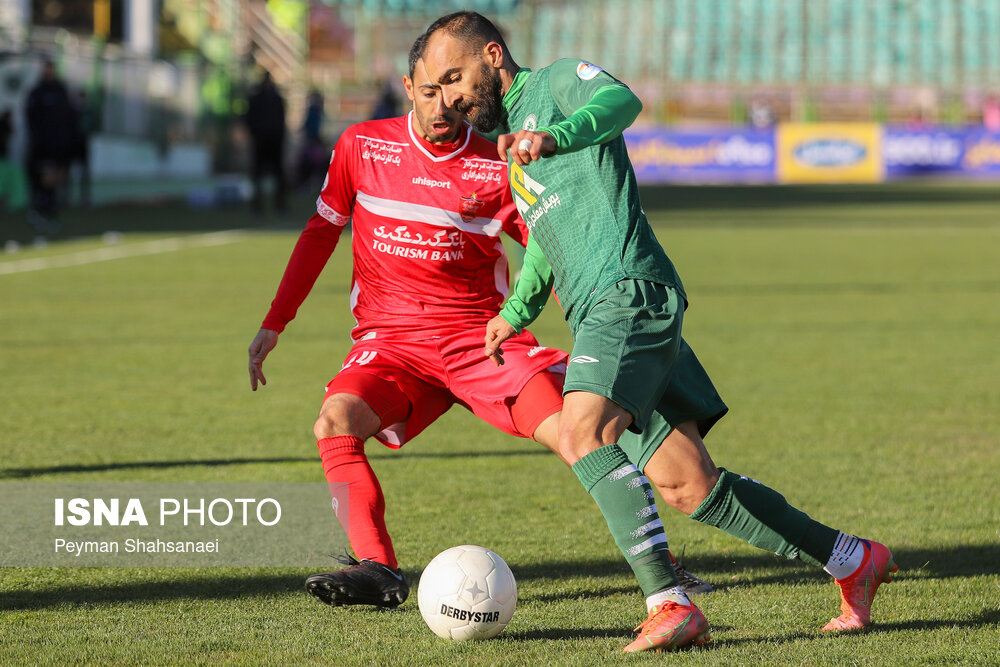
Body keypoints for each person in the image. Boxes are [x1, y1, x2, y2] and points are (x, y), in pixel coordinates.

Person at [422, 11, 896, 653]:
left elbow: (622, 100)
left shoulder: (555, 84)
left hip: (630, 293)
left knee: (581, 431)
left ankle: (668, 603)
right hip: (602, 312)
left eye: (456, 76)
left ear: (493, 55)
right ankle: (851, 560)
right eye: (439, 87)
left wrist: (556, 137)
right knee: (688, 485)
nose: (451, 97)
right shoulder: (513, 151)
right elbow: (543, 240)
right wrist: (514, 314)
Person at [248, 34, 710, 611]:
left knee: (577, 435)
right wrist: (276, 322)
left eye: (451, 93)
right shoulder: (362, 147)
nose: (443, 107)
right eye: (428, 93)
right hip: (391, 346)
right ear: (409, 88)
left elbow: (553, 238)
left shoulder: (497, 161)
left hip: (481, 342)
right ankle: (378, 568)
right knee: (334, 423)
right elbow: (321, 234)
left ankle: (663, 566)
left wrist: (594, 311)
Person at [25, 59, 76, 231]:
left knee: (56, 180)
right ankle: (40, 210)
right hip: (43, 146)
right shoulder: (37, 92)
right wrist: (37, 141)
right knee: (45, 178)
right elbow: (32, 120)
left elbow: (68, 118)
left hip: (60, 145)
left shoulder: (61, 90)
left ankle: (49, 211)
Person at [244, 70, 287, 214]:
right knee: (262, 173)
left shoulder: (269, 97)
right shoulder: (267, 98)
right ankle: (261, 205)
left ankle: (276, 204)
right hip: (264, 139)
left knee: (272, 173)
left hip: (270, 139)